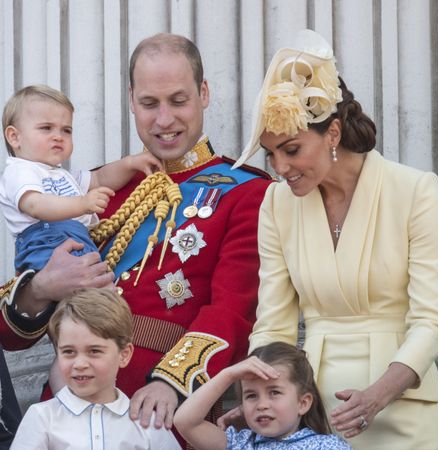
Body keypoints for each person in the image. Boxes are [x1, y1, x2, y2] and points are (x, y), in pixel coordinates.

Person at [0, 33, 272, 448]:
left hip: (161, 413)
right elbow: (9, 334)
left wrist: (172, 383)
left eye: (178, 101)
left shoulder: (245, 191)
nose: (164, 120)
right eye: (149, 104)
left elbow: (233, 309)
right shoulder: (90, 193)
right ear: (130, 100)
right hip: (66, 415)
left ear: (203, 93)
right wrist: (40, 288)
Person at [232, 29, 438, 449]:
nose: (279, 167)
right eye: (270, 153)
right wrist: (257, 391)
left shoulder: (415, 189)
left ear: (332, 133)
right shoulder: (276, 204)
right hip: (308, 416)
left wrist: (379, 394)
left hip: (401, 404)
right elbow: (272, 323)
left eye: (291, 150)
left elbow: (431, 320)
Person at [0, 84, 162, 273]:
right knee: (86, 295)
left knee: (102, 293)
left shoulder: (61, 174)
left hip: (76, 242)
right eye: (46, 128)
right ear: (14, 137)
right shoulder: (20, 171)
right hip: (46, 244)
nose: (58, 136)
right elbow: (35, 206)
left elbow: (99, 178)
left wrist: (129, 163)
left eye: (66, 130)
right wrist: (82, 204)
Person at [10, 288, 181, 450]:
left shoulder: (147, 423)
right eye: (69, 352)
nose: (80, 364)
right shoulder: (42, 417)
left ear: (124, 354)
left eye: (94, 351)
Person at [174, 341, 352, 449]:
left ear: (303, 403)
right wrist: (228, 375)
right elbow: (185, 421)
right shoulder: (240, 444)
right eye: (251, 395)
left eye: (274, 392)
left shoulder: (327, 446)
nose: (262, 405)